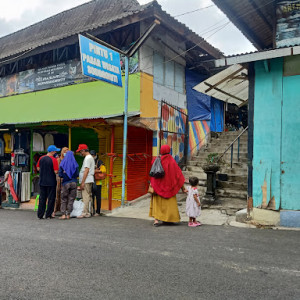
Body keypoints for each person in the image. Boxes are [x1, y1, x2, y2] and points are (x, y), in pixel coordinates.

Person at [149, 145, 186, 227]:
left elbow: (152, 168)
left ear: (161, 151)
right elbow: (178, 175)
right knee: (169, 204)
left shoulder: (157, 160)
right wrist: (183, 188)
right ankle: (168, 219)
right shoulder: (171, 161)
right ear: (169, 150)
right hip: (169, 187)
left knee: (157, 203)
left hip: (157, 186)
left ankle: (156, 220)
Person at [37, 145, 60, 219]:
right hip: (51, 181)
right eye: (55, 151)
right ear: (52, 152)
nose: (56, 152)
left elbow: (38, 168)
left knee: (42, 198)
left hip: (42, 180)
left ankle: (40, 214)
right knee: (51, 198)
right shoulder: (54, 160)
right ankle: (48, 214)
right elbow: (56, 171)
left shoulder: (41, 158)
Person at [58, 151, 79, 220]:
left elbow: (60, 175)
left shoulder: (62, 163)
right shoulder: (75, 164)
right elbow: (77, 174)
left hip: (65, 183)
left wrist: (65, 174)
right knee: (71, 199)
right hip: (74, 183)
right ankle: (68, 214)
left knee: (64, 199)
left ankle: (63, 214)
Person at [76, 144, 95, 218]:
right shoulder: (90, 157)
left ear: (83, 150)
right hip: (89, 179)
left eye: (80, 151)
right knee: (89, 195)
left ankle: (85, 212)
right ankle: (90, 211)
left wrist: (83, 182)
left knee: (85, 196)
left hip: (86, 180)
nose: (80, 153)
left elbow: (86, 170)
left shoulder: (87, 158)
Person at [52, 146, 69, 217]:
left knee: (65, 195)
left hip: (66, 179)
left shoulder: (69, 160)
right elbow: (57, 170)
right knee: (57, 194)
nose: (66, 153)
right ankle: (55, 210)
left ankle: (64, 210)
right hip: (59, 178)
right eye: (65, 151)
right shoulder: (59, 160)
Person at [90, 150, 106, 216]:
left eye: (93, 155)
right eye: (91, 155)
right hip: (91, 182)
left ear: (95, 155)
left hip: (98, 183)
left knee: (98, 198)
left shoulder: (99, 161)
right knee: (92, 197)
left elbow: (104, 170)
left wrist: (95, 171)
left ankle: (98, 211)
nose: (92, 156)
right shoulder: (89, 161)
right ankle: (92, 210)